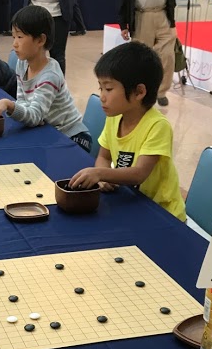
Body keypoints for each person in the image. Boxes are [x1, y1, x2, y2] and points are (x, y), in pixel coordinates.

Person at [69, 42, 186, 221]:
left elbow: (139, 173)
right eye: (101, 88)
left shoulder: (157, 126)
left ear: (139, 92)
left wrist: (100, 173)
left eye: (108, 88)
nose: (102, 96)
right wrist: (101, 174)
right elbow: (104, 157)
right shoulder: (115, 117)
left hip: (162, 213)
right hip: (132, 202)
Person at [0, 5, 90, 151]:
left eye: (20, 37)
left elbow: (33, 116)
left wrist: (9, 105)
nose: (14, 43)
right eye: (13, 37)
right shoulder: (22, 64)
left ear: (40, 40)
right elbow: (23, 103)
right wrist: (31, 115)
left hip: (72, 135)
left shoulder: (50, 75)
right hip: (48, 130)